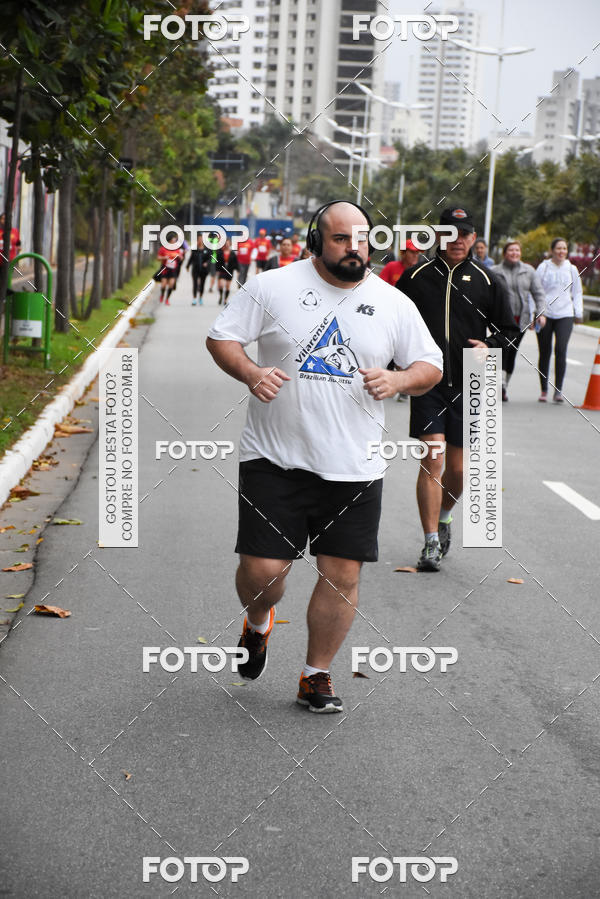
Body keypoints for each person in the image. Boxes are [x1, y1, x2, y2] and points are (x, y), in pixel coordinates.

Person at [206, 200, 443, 713]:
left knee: (343, 575)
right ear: (317, 241)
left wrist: (400, 378)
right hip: (274, 460)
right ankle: (258, 620)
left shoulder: (392, 302)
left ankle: (316, 674)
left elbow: (430, 364)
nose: (353, 249)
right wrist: (251, 373)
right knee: (264, 570)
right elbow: (222, 338)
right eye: (341, 239)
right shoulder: (272, 286)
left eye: (362, 240)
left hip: (355, 466)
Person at [397, 206, 519, 572]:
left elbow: (510, 331)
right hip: (429, 381)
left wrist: (491, 345)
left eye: (465, 234)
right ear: (438, 237)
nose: (459, 240)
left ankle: (446, 515)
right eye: (451, 233)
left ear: (473, 239)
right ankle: (430, 541)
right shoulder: (415, 278)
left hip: (471, 382)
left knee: (460, 470)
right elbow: (393, 324)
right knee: (432, 457)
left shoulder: (488, 280)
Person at [491, 241, 546, 400]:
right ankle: (499, 385)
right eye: (511, 250)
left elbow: (539, 293)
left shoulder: (528, 271)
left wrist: (540, 313)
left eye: (517, 250)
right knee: (502, 351)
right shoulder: (495, 271)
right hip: (501, 319)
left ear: (520, 253)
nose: (514, 253)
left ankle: (504, 385)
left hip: (520, 320)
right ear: (504, 253)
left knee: (512, 352)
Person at [535, 237, 583, 403]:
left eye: (564, 248)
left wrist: (579, 313)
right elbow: (535, 290)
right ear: (552, 250)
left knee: (561, 350)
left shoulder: (572, 269)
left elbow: (577, 292)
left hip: (565, 314)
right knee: (545, 352)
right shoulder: (544, 267)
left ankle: (558, 390)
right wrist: (536, 312)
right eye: (558, 248)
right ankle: (543, 389)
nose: (561, 251)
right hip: (545, 314)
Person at [156, 235, 184, 305]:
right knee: (163, 285)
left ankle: (167, 299)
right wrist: (164, 258)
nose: (175, 242)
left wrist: (179, 257)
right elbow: (158, 258)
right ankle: (162, 295)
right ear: (170, 241)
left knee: (171, 284)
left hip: (173, 270)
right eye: (173, 241)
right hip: (165, 269)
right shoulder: (163, 249)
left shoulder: (177, 249)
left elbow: (181, 258)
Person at [186, 234, 211, 305]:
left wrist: (207, 263)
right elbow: (191, 258)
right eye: (199, 239)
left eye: (201, 239)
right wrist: (187, 266)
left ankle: (200, 298)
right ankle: (194, 298)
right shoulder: (195, 249)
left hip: (204, 269)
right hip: (195, 269)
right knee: (195, 284)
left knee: (202, 284)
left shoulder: (207, 249)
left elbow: (210, 258)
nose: (200, 241)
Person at [215, 239, 239, 305]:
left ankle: (225, 299)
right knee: (221, 285)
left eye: (228, 243)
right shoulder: (220, 253)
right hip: (222, 271)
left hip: (229, 271)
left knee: (228, 286)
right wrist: (217, 270)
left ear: (230, 244)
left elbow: (236, 263)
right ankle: (221, 296)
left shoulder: (233, 253)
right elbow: (217, 262)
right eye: (226, 244)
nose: (227, 245)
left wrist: (237, 270)